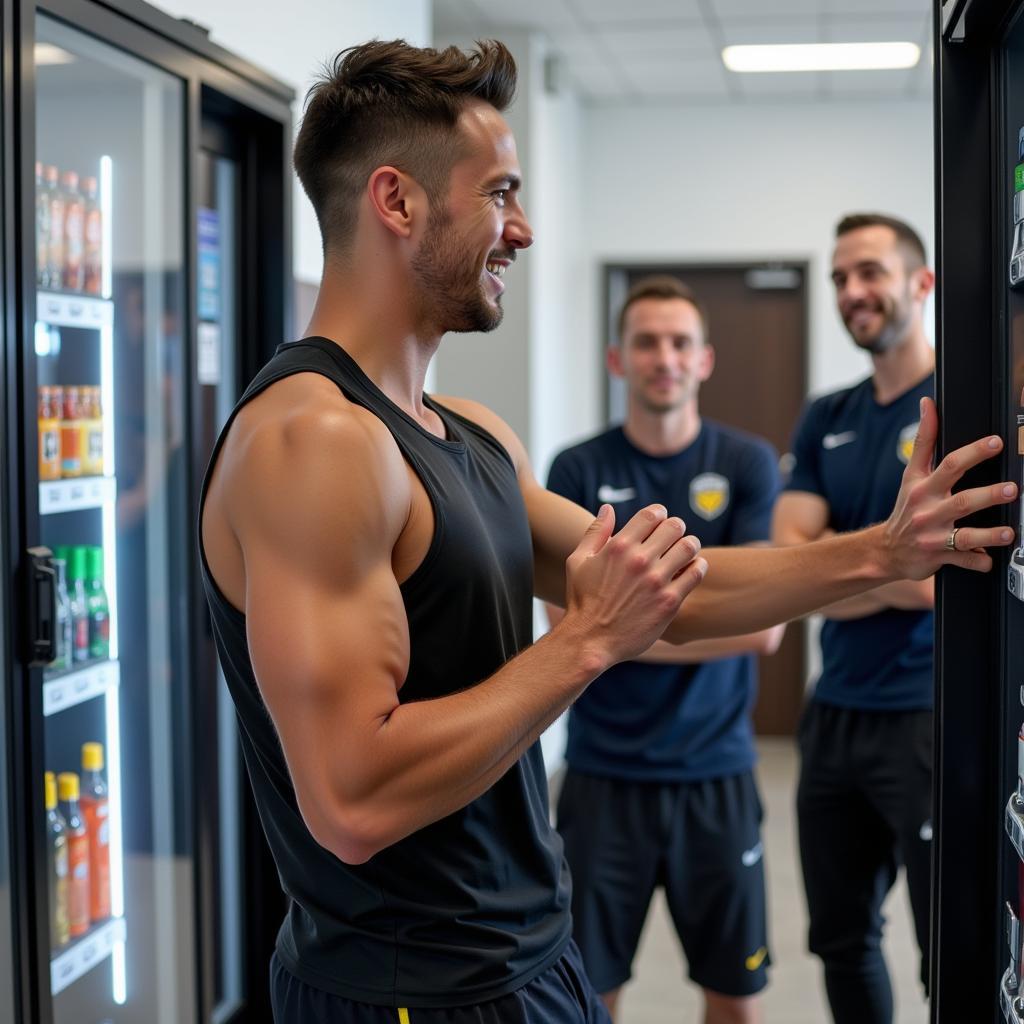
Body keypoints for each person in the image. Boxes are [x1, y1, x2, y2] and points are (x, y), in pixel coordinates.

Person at [197, 40, 1015, 1024]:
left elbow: (673, 595)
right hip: (410, 988)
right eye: (500, 193)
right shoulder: (313, 440)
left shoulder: (466, 433)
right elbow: (352, 800)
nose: (525, 229)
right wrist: (584, 644)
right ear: (397, 202)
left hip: (527, 952)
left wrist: (881, 549)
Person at [545, 275, 783, 1024]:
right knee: (588, 995)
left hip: (717, 776)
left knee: (735, 999)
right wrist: (678, 621)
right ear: (618, 360)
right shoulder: (577, 470)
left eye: (680, 342)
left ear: (705, 359)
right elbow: (563, 626)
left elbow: (764, 629)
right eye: (647, 342)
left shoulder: (747, 463)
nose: (664, 358)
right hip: (602, 779)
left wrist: (615, 634)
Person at [772, 213, 938, 1024]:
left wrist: (833, 562)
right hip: (834, 714)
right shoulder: (825, 414)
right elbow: (786, 564)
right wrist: (888, 561)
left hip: (928, 715)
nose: (852, 292)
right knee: (842, 940)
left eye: (869, 272)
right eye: (840, 278)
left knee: (950, 943)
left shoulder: (959, 404)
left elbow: (938, 587)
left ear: (921, 282)